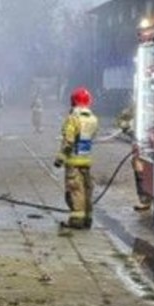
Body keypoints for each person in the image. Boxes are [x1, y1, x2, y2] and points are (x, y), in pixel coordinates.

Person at [54, 86, 99, 231]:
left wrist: (60, 159)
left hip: (73, 161)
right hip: (86, 160)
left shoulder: (73, 119)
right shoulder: (93, 119)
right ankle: (88, 219)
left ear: (73, 101)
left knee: (75, 190)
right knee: (87, 189)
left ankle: (76, 220)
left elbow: (69, 141)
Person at [116, 103, 153, 211]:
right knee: (138, 166)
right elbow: (122, 119)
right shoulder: (138, 105)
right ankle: (145, 199)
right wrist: (128, 130)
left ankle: (148, 197)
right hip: (141, 141)